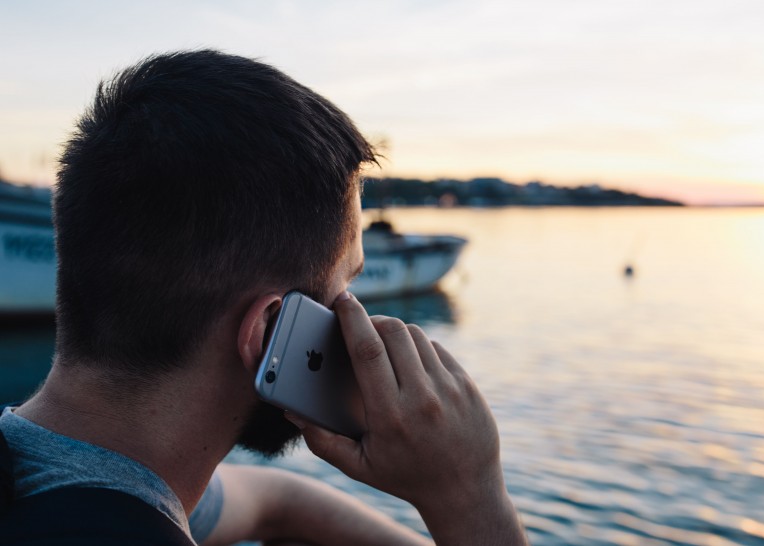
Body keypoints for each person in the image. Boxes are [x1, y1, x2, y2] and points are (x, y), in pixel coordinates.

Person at [0, 50, 528, 545]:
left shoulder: (61, 472)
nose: (359, 322)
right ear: (270, 330)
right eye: (345, 289)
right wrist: (471, 497)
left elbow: (279, 499)